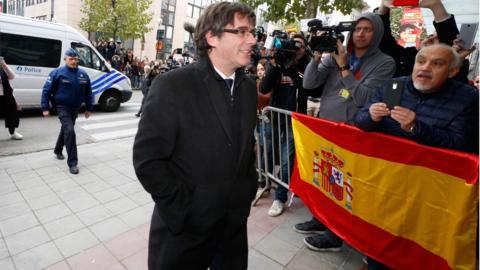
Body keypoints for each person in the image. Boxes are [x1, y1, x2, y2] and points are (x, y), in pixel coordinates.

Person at [132, 2, 257, 269]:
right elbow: (148, 161)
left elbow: (246, 149)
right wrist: (186, 209)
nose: (252, 40)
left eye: (253, 32)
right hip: (184, 234)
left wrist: (247, 191)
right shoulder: (172, 86)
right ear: (212, 37)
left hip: (233, 231)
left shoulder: (248, 89)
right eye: (242, 32)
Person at [354, 44, 479, 269]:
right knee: (380, 235)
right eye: (421, 61)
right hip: (385, 182)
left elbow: (461, 144)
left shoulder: (468, 98)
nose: (425, 68)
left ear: (451, 71)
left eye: (437, 63)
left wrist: (415, 128)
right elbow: (360, 119)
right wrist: (370, 116)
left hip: (430, 193)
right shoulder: (394, 85)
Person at [299, 12, 395, 252]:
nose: (361, 34)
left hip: (354, 133)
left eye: (368, 29)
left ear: (377, 33)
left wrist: (343, 66)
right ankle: (321, 218)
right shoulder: (337, 54)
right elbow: (309, 84)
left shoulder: (385, 62)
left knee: (345, 187)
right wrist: (317, 54)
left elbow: (364, 99)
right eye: (357, 28)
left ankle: (336, 235)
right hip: (327, 128)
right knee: (324, 178)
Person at [259, 33, 314, 217]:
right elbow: (264, 88)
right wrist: (275, 65)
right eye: (292, 45)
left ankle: (280, 197)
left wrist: (291, 66)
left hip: (294, 120)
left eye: (299, 45)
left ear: (305, 48)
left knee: (286, 160)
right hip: (275, 116)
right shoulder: (280, 61)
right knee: (267, 151)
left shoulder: (308, 64)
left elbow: (306, 87)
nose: (295, 49)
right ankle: (263, 184)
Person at [41, 48, 93, 175]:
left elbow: (88, 92)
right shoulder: (57, 73)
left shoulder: (83, 74)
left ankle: (58, 150)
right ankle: (73, 163)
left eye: (75, 59)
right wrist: (45, 107)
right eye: (71, 59)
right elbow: (46, 90)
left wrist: (89, 108)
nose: (73, 61)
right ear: (65, 59)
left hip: (75, 107)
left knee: (66, 130)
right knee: (70, 131)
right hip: (61, 107)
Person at [0, 59, 23, 140]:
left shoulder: (3, 69)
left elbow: (12, 76)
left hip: (7, 95)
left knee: (12, 115)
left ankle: (12, 133)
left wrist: (5, 66)